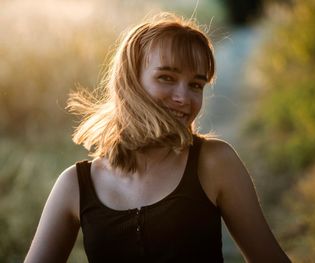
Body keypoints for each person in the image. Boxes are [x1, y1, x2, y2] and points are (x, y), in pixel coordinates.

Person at [25, 12, 291, 263]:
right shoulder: (74, 185)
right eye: (166, 77)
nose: (183, 98)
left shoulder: (215, 163)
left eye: (195, 85)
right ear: (130, 82)